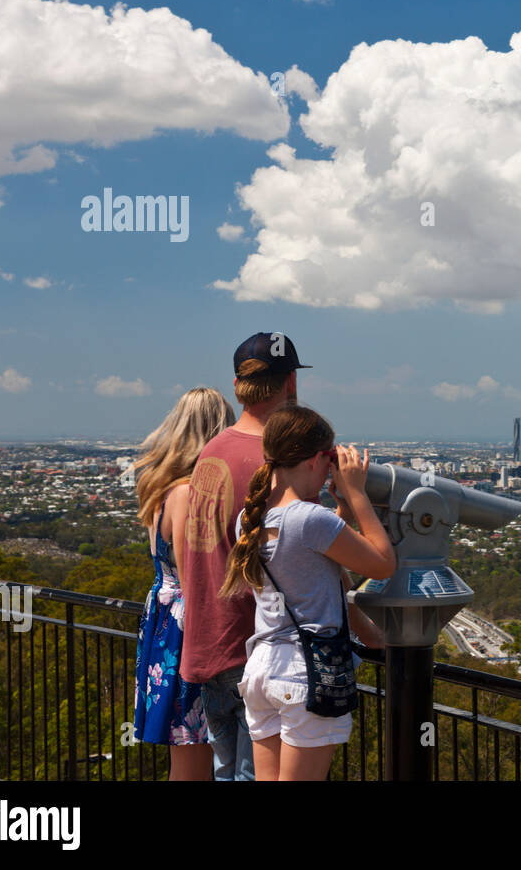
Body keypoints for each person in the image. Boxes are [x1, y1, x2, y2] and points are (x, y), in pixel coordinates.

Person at [219, 405, 394, 781]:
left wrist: (341, 509)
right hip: (306, 676)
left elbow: (307, 555)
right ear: (317, 459)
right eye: (330, 459)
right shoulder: (310, 519)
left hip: (262, 671)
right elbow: (383, 563)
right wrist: (358, 494)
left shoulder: (250, 519)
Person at [178, 332, 310, 781]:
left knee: (226, 774)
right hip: (255, 651)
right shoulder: (275, 459)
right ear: (290, 383)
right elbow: (296, 559)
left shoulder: (212, 451)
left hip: (208, 643)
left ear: (238, 386)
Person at [131, 387, 235, 780]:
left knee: (187, 760)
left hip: (164, 627)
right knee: (196, 759)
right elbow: (199, 583)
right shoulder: (189, 494)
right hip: (191, 634)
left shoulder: (159, 491)